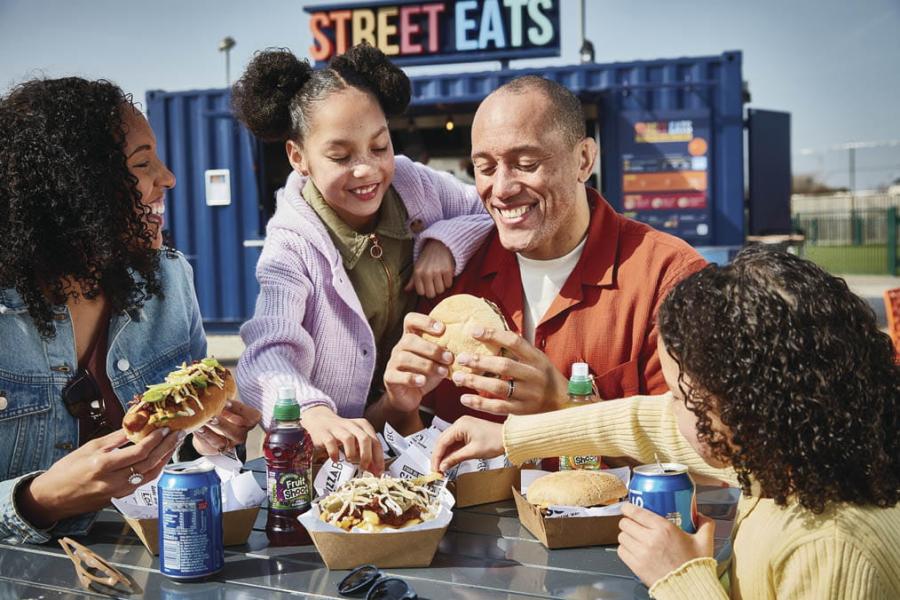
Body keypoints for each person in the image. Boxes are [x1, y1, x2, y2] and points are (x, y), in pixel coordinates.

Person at [431, 247, 900, 599]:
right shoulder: (791, 454)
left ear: (747, 407)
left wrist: (681, 578)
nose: (667, 408)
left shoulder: (832, 548)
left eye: (680, 396)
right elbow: (643, 421)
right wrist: (510, 437)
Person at [0, 77, 261, 545]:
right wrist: (38, 500)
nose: (168, 177)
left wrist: (206, 439)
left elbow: (182, 458)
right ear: (75, 190)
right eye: (142, 163)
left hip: (157, 562)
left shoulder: (170, 280)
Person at [373, 76, 706, 438]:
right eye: (484, 169)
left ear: (584, 160)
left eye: (526, 163)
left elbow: (706, 453)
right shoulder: (450, 278)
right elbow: (410, 447)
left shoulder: (669, 277)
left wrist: (564, 405)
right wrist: (396, 403)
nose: (501, 189)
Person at [232, 45, 492, 472]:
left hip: (425, 428)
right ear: (299, 157)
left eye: (379, 146)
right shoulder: (291, 244)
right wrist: (314, 412)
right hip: (342, 451)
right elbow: (264, 355)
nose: (367, 170)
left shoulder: (412, 185)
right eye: (340, 156)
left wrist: (446, 240)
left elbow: (488, 210)